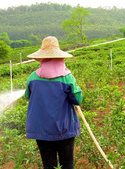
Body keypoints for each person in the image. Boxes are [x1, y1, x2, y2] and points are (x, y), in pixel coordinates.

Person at [25, 36, 83, 169]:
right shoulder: (67, 77)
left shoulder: (33, 77)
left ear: (42, 59)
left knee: (48, 164)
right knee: (67, 163)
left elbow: (28, 96)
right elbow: (77, 99)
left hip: (41, 130)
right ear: (60, 58)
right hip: (64, 128)